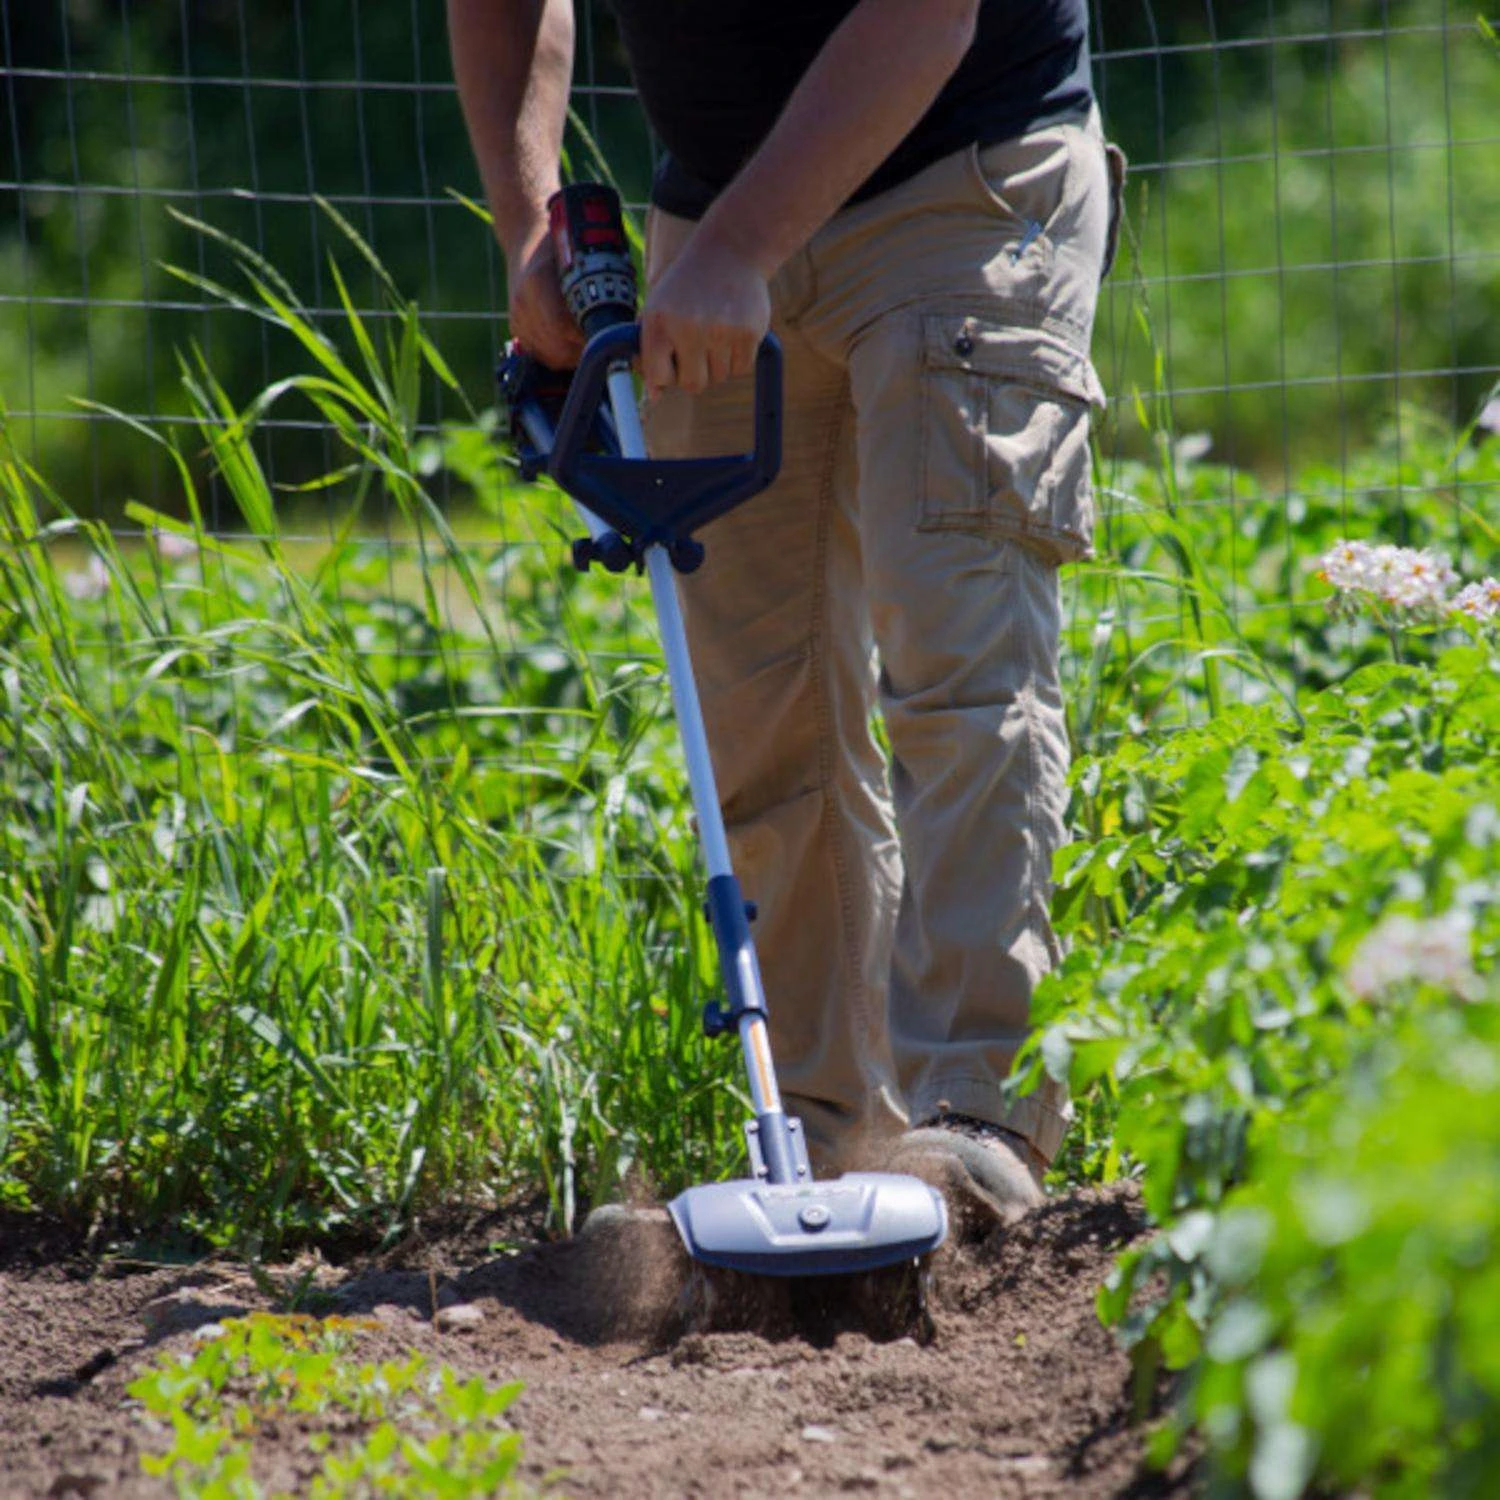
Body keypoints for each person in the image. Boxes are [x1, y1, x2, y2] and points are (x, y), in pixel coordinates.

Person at [448, 0, 1122, 1225]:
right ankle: (823, 1144)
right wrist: (528, 221)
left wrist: (744, 249)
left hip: (961, 174)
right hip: (713, 217)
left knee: (957, 653)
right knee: (762, 711)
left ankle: (975, 1120)